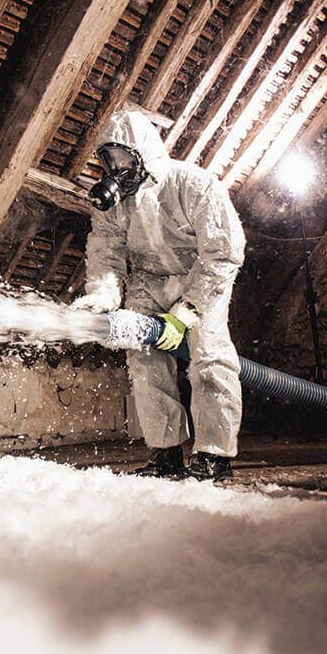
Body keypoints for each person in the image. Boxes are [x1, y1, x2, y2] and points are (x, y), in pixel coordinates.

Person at [72, 107, 245, 481]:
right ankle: (165, 454)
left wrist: (188, 309)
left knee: (208, 359)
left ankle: (214, 456)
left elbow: (223, 252)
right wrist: (102, 297)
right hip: (148, 282)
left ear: (143, 153)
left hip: (200, 276)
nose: (117, 167)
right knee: (144, 362)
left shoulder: (193, 184)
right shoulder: (115, 203)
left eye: (123, 157)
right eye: (109, 159)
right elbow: (105, 251)